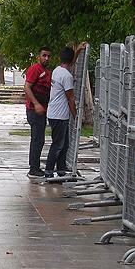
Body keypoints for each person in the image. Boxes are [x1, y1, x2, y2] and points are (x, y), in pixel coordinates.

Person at [44, 45, 84, 178]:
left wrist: (77, 50)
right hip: (59, 116)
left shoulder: (57, 71)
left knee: (64, 144)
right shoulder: (66, 76)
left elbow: (70, 63)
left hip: (55, 113)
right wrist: (76, 116)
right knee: (58, 144)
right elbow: (71, 99)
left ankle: (61, 169)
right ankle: (49, 170)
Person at [23, 47, 52, 178]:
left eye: (48, 56)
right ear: (38, 56)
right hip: (34, 110)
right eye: (44, 55)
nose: (46, 58)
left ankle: (34, 167)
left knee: (39, 139)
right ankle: (33, 168)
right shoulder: (35, 69)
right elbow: (27, 87)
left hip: (42, 110)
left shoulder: (47, 71)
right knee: (37, 139)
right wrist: (36, 104)